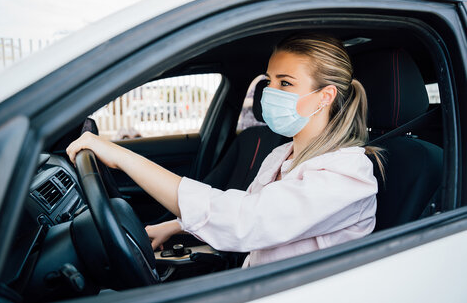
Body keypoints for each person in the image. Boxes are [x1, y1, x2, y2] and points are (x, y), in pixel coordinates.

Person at [66, 33, 382, 268]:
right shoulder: (282, 154)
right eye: (269, 80)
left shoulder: (348, 178)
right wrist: (175, 226)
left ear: (324, 97)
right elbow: (250, 207)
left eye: (285, 83)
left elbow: (245, 221)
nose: (269, 92)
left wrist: (123, 157)